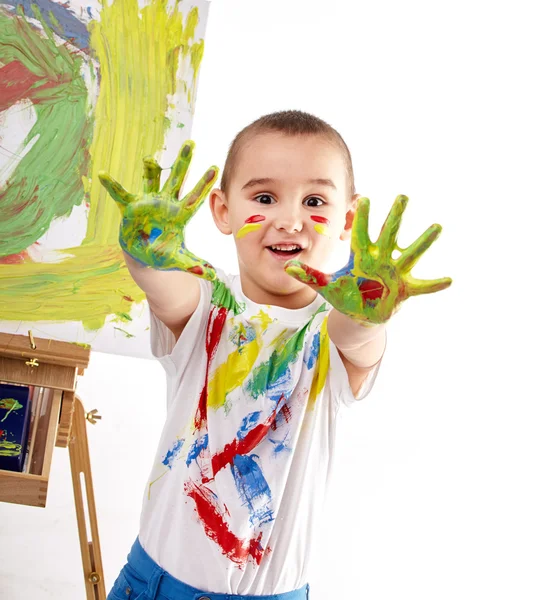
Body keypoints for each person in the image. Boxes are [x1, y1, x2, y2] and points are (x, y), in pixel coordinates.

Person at [99, 110, 451, 600]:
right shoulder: (207, 304)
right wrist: (144, 253)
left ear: (348, 219)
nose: (290, 220)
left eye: (314, 201)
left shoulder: (330, 332)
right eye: (264, 198)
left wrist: (371, 313)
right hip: (156, 585)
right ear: (222, 210)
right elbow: (164, 287)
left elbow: (358, 338)